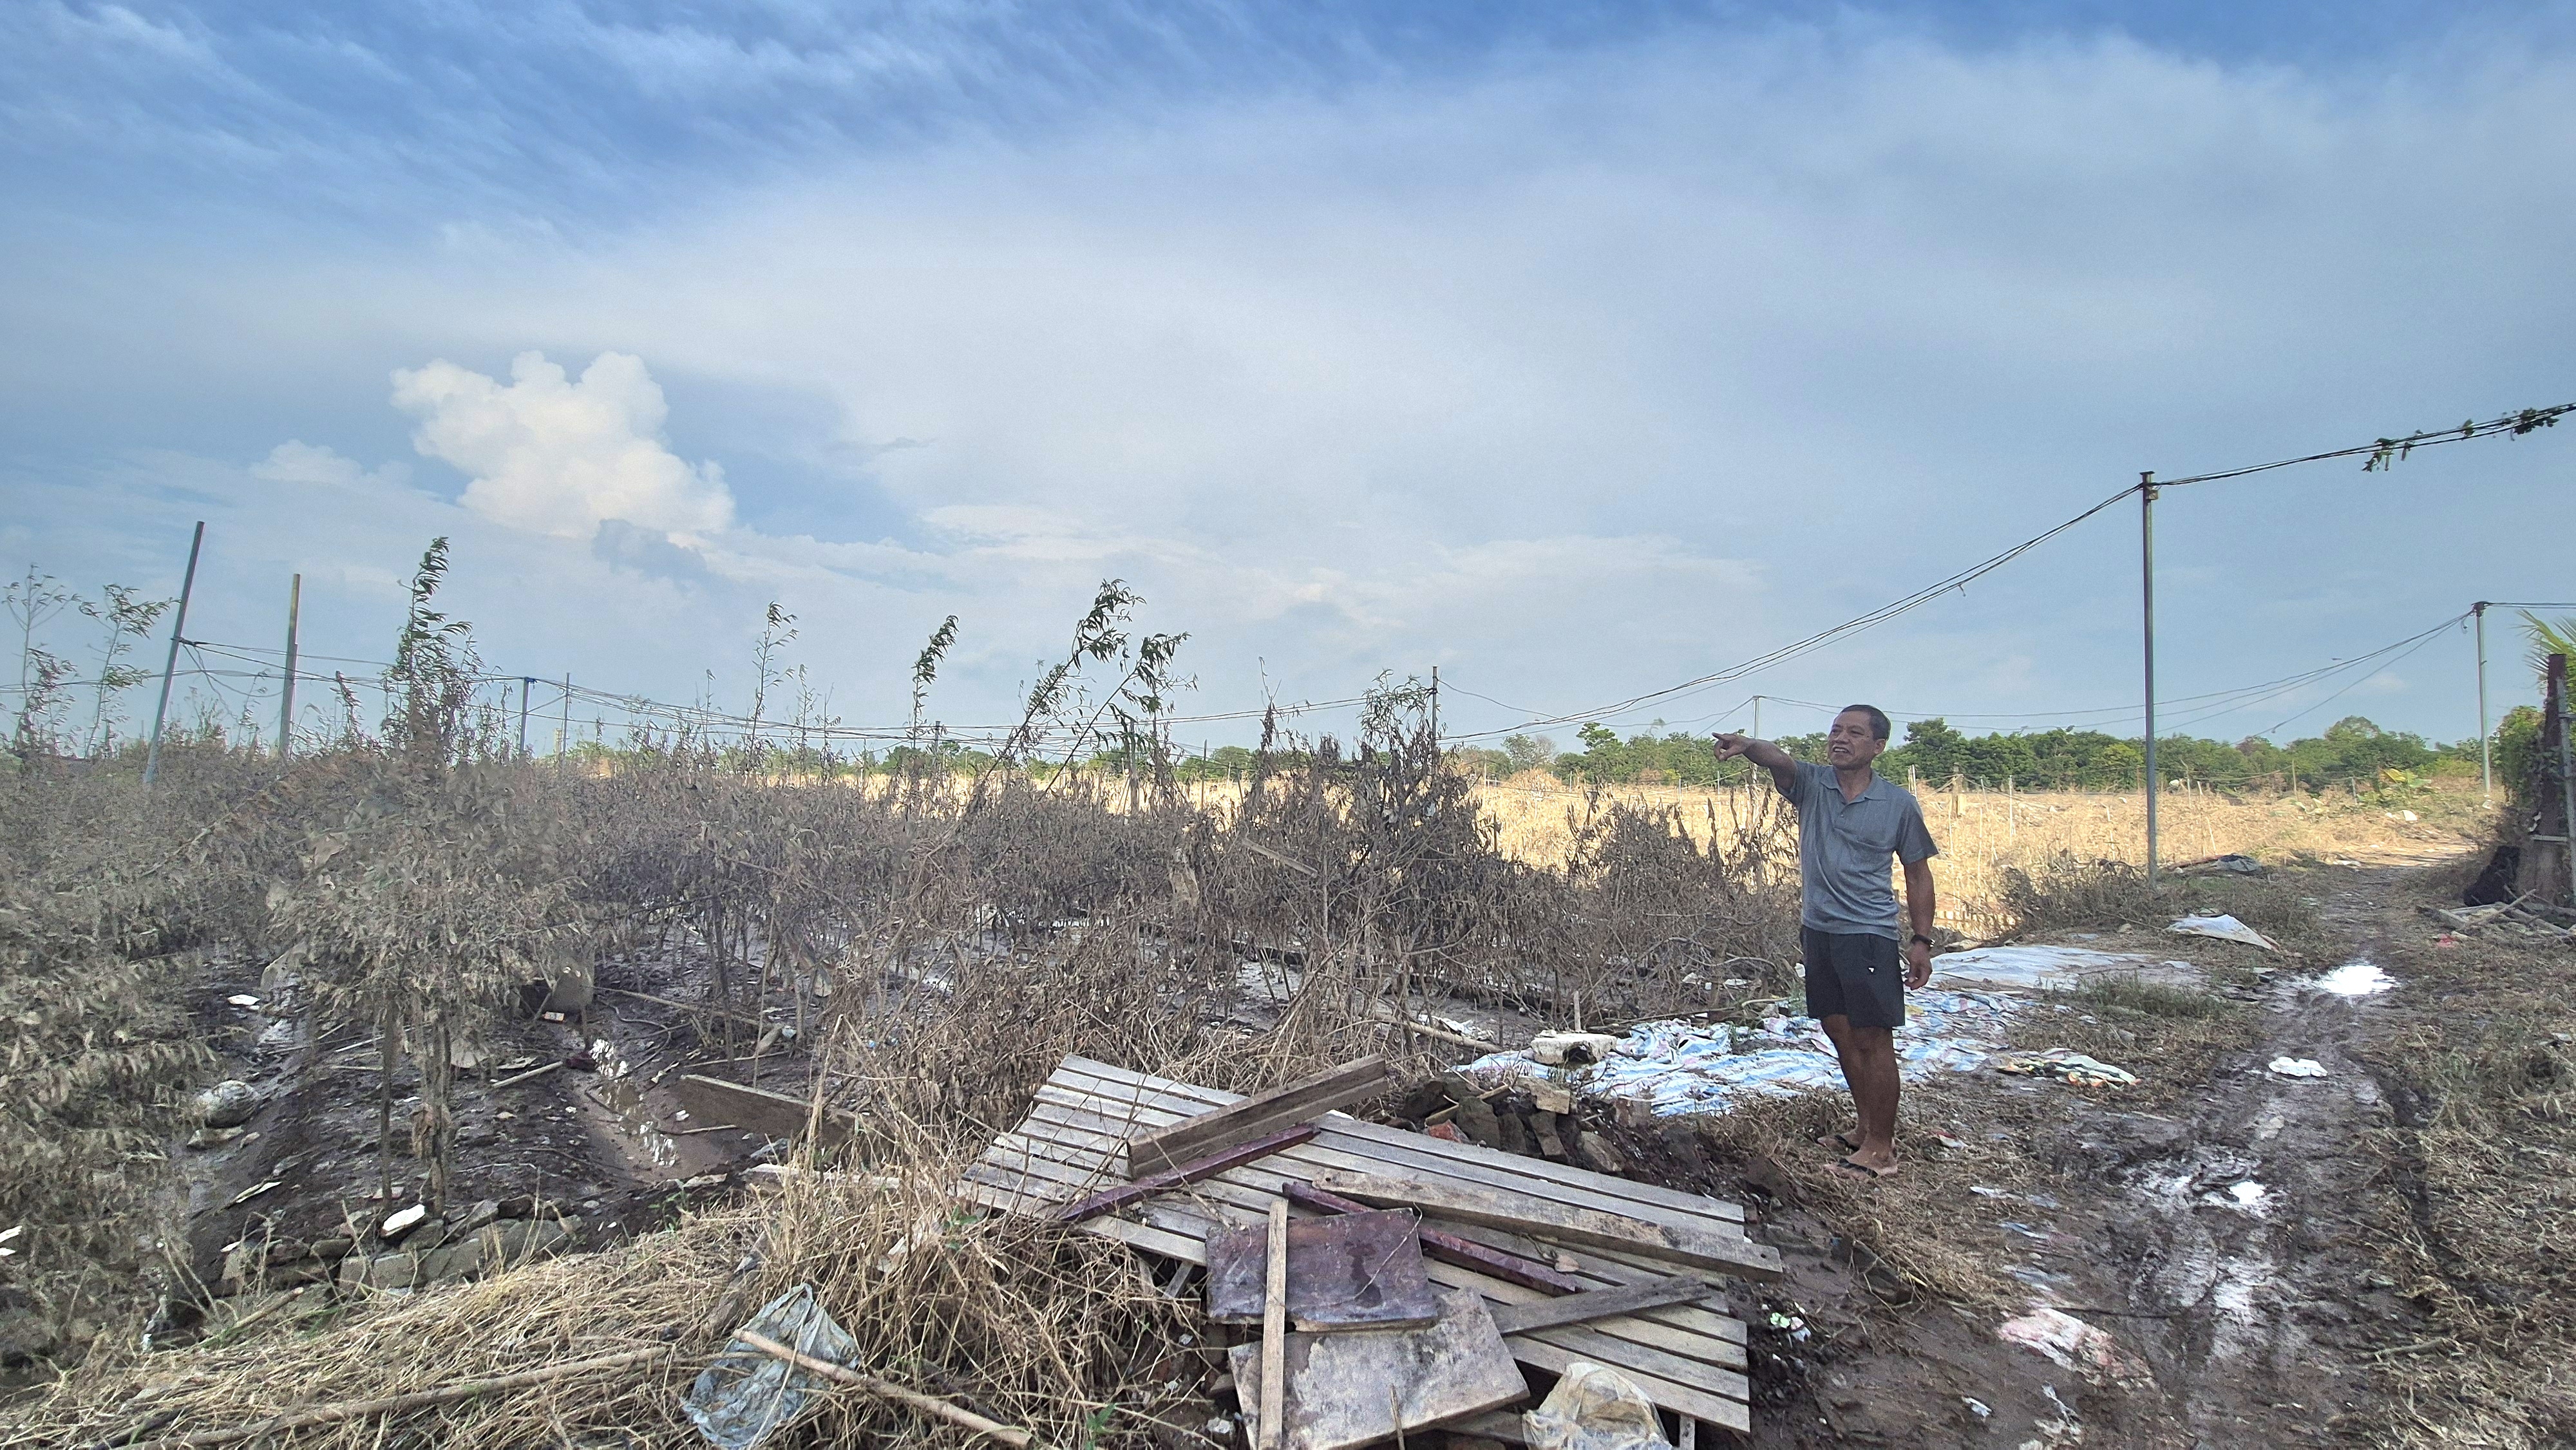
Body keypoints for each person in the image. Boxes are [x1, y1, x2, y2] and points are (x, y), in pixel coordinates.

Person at [1712, 705, 1938, 1178]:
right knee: (1838, 1031)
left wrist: (1921, 940)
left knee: (1873, 1038)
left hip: (1869, 934)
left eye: (1855, 733)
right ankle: (1864, 1127)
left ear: (1877, 747)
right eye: (1836, 730)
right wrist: (1750, 746)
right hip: (1820, 932)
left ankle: (1882, 1147)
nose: (1841, 739)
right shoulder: (1813, 786)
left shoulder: (1897, 804)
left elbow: (1918, 872)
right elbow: (1780, 762)